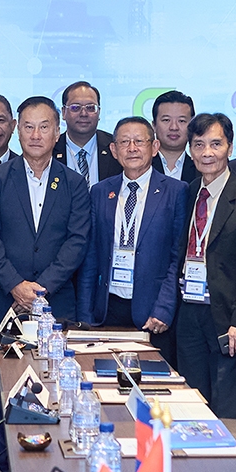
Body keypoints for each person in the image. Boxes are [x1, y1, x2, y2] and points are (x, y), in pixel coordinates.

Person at [0, 96, 92, 472]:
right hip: (6, 303)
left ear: (57, 132)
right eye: (28, 126)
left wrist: (41, 288)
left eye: (44, 126)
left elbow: (77, 240)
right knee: (10, 390)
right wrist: (15, 284)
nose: (36, 134)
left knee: (55, 390)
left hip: (56, 304)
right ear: (16, 130)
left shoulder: (74, 183)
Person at [168, 113, 236, 418]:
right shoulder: (188, 193)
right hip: (189, 313)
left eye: (216, 144)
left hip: (229, 317)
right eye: (199, 145)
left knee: (229, 409)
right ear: (190, 150)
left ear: (230, 147)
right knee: (193, 405)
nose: (207, 153)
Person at [85, 117, 185, 361]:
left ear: (154, 147)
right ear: (113, 150)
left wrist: (164, 308)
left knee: (154, 379)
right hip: (107, 308)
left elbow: (177, 258)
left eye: (139, 141)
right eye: (124, 142)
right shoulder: (100, 191)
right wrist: (85, 315)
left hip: (153, 311)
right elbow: (91, 257)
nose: (132, 148)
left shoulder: (176, 191)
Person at [58, 80, 117, 184]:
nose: (83, 114)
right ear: (63, 112)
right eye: (75, 107)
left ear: (99, 112)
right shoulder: (50, 149)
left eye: (90, 108)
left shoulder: (115, 147)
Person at [151, 90, 200, 183]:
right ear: (154, 126)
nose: (174, 127)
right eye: (166, 120)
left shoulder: (202, 169)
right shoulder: (140, 167)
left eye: (181, 121)